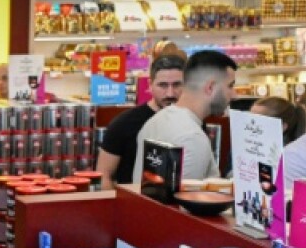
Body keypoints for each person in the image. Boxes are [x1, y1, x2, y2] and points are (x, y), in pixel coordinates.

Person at [133, 50, 237, 184]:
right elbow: (182, 204)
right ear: (210, 87)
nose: (234, 95)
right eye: (230, 86)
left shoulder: (156, 121)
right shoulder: (192, 138)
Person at [97, 55, 186, 189]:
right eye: (163, 85)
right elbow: (104, 175)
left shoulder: (190, 123)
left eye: (177, 85)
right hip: (133, 205)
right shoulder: (124, 124)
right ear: (150, 85)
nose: (170, 93)